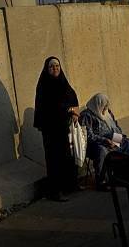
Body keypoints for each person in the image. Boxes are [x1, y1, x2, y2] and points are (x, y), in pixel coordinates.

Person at [34, 56, 80, 202]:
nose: (55, 69)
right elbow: (46, 107)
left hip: (62, 128)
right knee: (54, 160)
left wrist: (73, 111)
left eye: (57, 66)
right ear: (47, 69)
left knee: (66, 156)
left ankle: (70, 185)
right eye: (52, 67)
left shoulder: (63, 83)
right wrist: (65, 109)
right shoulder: (44, 86)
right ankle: (55, 191)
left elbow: (73, 97)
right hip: (50, 130)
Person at [79, 93, 129, 190]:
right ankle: (102, 181)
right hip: (96, 143)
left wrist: (118, 137)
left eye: (106, 106)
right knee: (102, 151)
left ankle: (127, 175)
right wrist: (106, 141)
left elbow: (116, 126)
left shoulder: (107, 113)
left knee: (127, 142)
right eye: (103, 106)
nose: (105, 109)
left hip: (112, 138)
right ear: (98, 104)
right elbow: (88, 136)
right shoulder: (87, 115)